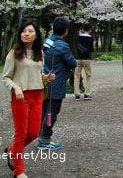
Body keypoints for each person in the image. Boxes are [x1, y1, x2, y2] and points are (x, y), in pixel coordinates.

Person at [3, 21, 54, 178]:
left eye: (30, 31)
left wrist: (46, 78)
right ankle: (19, 171)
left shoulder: (40, 53)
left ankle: (12, 151)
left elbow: (37, 74)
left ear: (36, 35)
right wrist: (15, 87)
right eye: (23, 31)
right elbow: (6, 77)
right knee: (21, 134)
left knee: (32, 133)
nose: (26, 33)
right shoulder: (14, 53)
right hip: (20, 97)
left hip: (37, 95)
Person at [37, 16, 77, 150]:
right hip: (56, 83)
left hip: (42, 82)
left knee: (43, 110)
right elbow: (72, 63)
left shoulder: (45, 42)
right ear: (66, 31)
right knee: (51, 112)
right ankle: (44, 139)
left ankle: (41, 135)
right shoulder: (62, 46)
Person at [74, 23, 94, 101]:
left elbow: (76, 46)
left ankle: (77, 94)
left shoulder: (78, 38)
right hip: (86, 58)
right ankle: (87, 93)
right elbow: (91, 49)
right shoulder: (90, 38)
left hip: (78, 58)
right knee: (88, 76)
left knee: (76, 76)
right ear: (89, 30)